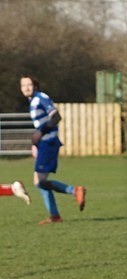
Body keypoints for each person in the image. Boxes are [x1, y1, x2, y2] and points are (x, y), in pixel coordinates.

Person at [19, 75, 86, 225]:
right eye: (23, 86)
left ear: (35, 85)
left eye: (29, 85)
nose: (26, 88)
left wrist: (40, 134)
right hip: (44, 144)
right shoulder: (33, 100)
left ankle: (74, 191)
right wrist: (36, 143)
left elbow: (56, 117)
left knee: (40, 182)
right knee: (39, 181)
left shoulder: (41, 98)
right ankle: (55, 215)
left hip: (48, 143)